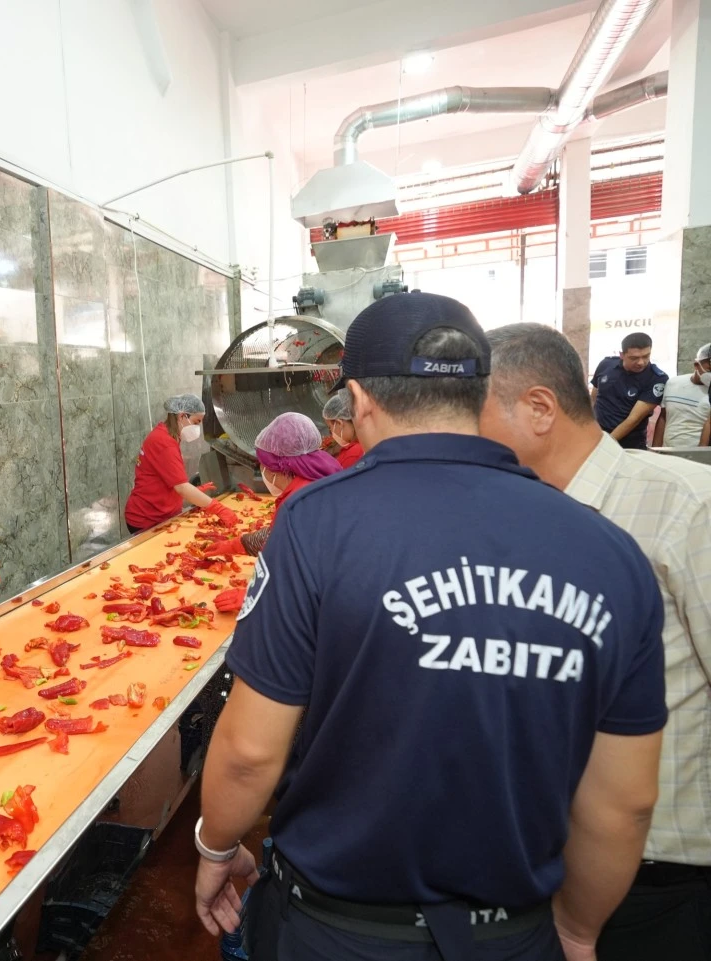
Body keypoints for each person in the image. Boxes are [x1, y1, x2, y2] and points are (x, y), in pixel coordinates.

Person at [194, 293, 666, 961]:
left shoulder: (317, 523)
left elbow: (249, 751)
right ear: (480, 393)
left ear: (359, 399)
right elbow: (624, 802)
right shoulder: (609, 550)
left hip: (334, 929)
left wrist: (216, 846)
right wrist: (577, 931)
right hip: (511, 931)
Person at [482, 322, 711, 961]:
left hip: (660, 879)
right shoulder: (516, 516)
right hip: (546, 861)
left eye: (473, 415)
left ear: (539, 408)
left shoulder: (684, 507)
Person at [206, 412, 341, 557]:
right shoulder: (322, 472)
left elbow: (278, 543)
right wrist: (240, 543)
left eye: (261, 463)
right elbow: (279, 534)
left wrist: (235, 545)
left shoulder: (296, 500)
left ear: (273, 468)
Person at [123, 394, 237, 534]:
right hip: (147, 518)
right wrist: (218, 509)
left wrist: (196, 491)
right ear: (182, 416)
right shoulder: (164, 442)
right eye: (196, 422)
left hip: (160, 513)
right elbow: (181, 487)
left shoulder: (166, 434)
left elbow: (168, 479)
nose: (197, 428)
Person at [590, 332, 669, 450]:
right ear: (622, 355)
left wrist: (605, 445)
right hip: (597, 436)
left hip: (629, 445)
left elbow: (633, 419)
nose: (641, 362)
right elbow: (594, 399)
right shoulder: (606, 365)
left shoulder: (657, 379)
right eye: (634, 358)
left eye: (646, 356)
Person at [652, 342, 711, 449]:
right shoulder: (673, 383)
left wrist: (701, 454)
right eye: (709, 371)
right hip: (668, 451)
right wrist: (655, 449)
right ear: (696, 365)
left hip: (698, 453)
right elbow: (663, 417)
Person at [322, 388, 365, 468]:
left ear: (339, 423)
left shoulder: (353, 454)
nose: (331, 434)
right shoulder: (366, 443)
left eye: (330, 428)